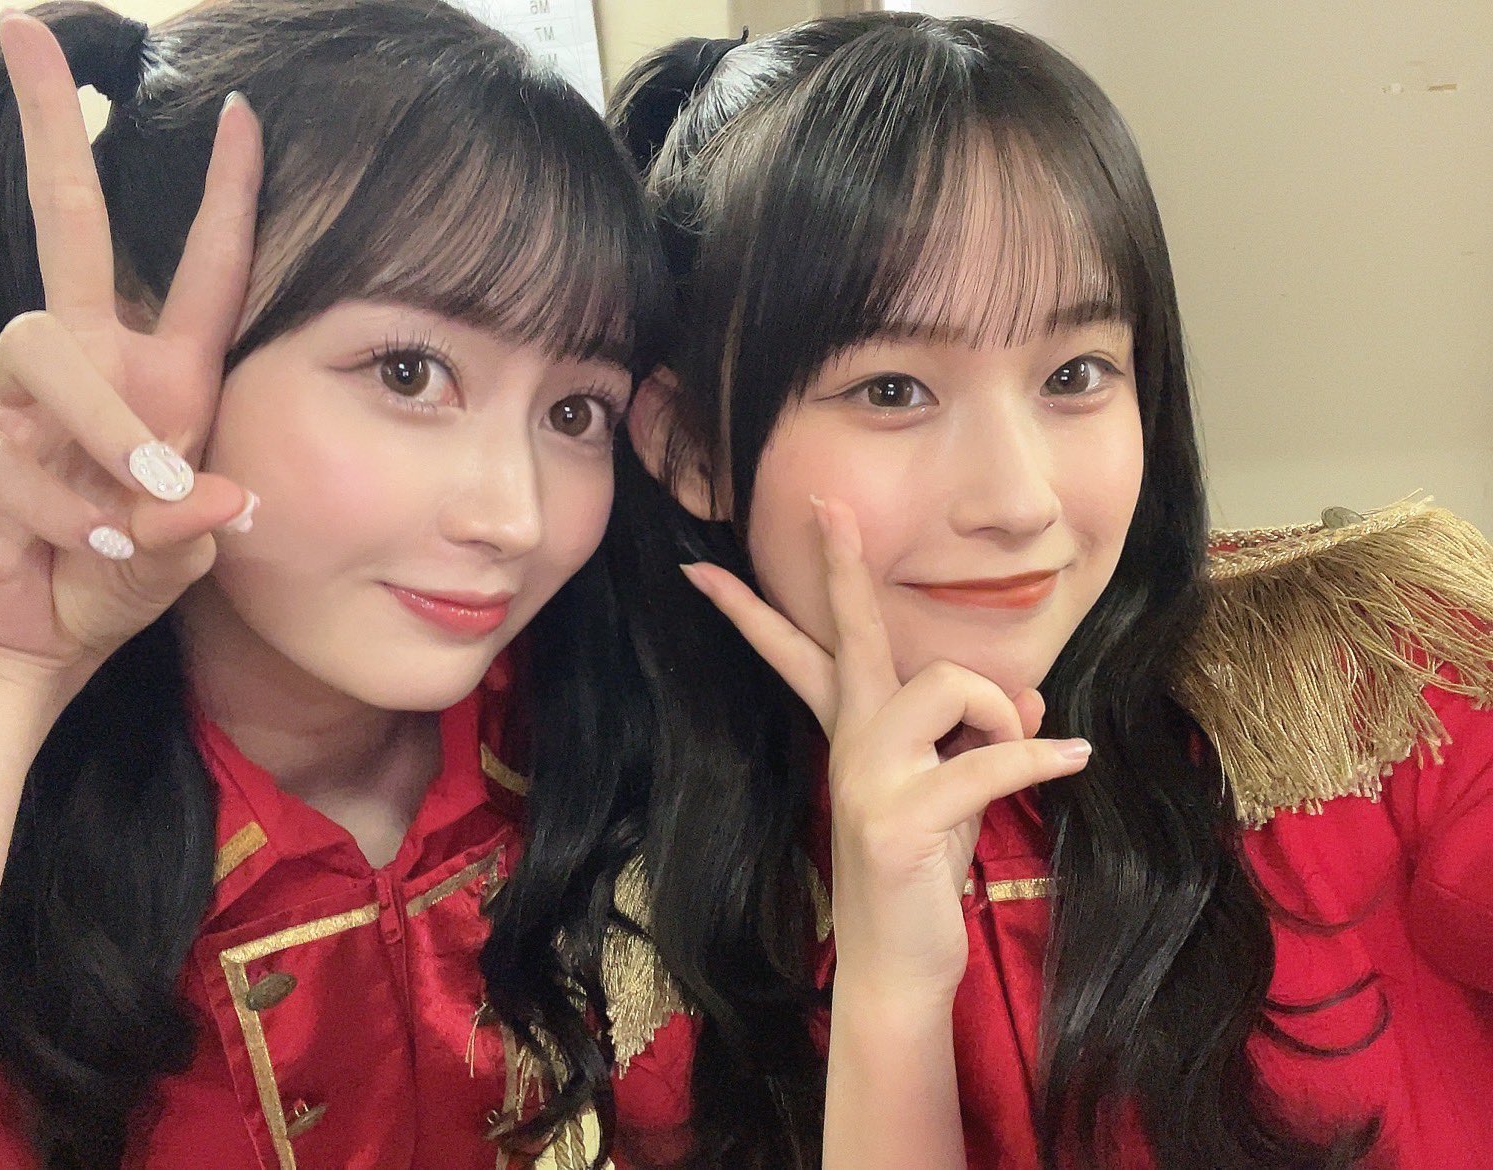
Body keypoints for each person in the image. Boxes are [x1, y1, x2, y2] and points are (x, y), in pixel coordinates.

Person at [605, 13, 1493, 1169]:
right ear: (690, 446)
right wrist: (890, 994)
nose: (1019, 500)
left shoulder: (1375, 692)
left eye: (1075, 374)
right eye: (891, 389)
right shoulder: (634, 937)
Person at [0, 2, 679, 1167]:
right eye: (409, 371)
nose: (515, 518)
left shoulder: (613, 741)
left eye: (575, 411)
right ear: (132, 339)